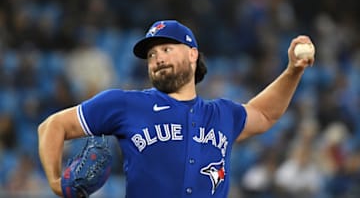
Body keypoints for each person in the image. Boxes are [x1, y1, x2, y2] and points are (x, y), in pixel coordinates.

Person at [38, 20, 315, 197]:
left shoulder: (221, 114)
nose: (157, 58)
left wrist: (293, 70)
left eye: (166, 49)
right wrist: (54, 181)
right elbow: (52, 126)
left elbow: (266, 114)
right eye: (151, 55)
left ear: (192, 54)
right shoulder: (124, 104)